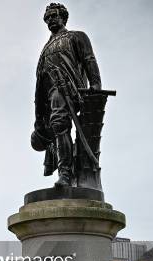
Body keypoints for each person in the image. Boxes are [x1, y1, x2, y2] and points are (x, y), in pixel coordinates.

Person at [32, 3, 102, 187]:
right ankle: (66, 172)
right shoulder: (45, 49)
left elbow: (89, 60)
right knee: (56, 130)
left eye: (53, 16)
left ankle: (65, 174)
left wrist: (95, 84)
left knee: (59, 123)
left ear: (63, 17)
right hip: (48, 97)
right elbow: (40, 81)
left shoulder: (76, 37)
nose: (50, 20)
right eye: (47, 18)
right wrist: (39, 116)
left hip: (69, 89)